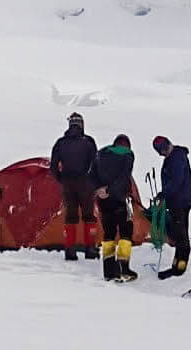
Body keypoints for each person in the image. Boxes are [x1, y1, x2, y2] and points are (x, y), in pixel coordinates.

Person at [49, 113, 97, 262]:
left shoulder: (61, 143)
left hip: (68, 184)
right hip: (86, 184)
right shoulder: (88, 142)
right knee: (89, 216)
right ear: (81, 124)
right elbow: (96, 163)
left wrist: (61, 179)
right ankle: (90, 249)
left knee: (70, 217)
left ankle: (70, 251)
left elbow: (53, 165)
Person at [93, 132, 138, 281]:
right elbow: (124, 178)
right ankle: (123, 268)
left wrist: (100, 189)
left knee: (109, 234)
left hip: (104, 201)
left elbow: (91, 174)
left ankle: (109, 271)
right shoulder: (128, 156)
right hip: (122, 200)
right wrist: (110, 190)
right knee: (126, 232)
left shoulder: (100, 154)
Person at [151, 135, 191, 277]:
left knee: (181, 235)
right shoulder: (173, 157)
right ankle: (177, 264)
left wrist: (164, 194)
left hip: (181, 202)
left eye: (164, 150)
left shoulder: (177, 157)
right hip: (177, 201)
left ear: (169, 145)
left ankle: (179, 268)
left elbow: (177, 181)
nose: (163, 153)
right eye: (161, 152)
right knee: (179, 233)